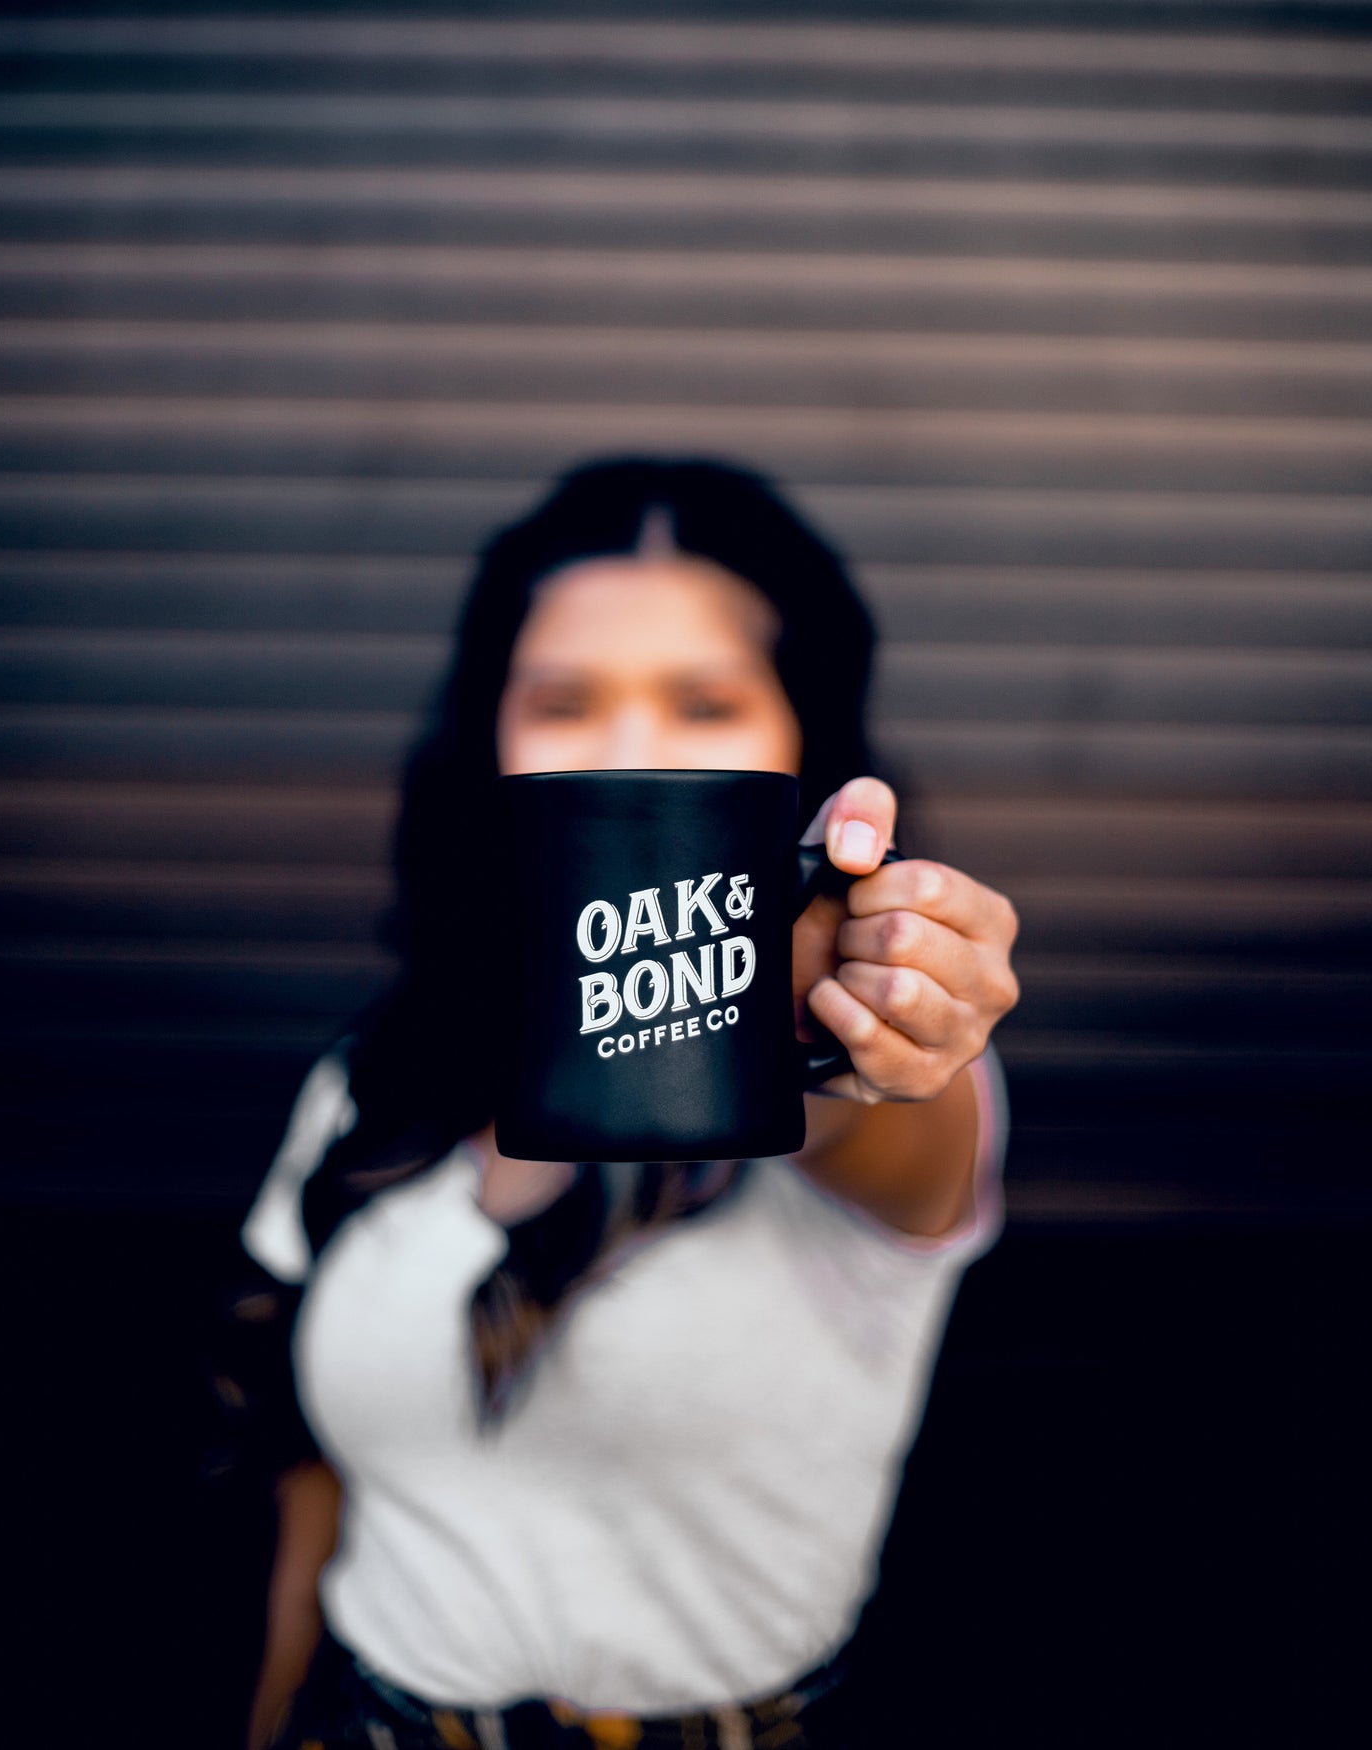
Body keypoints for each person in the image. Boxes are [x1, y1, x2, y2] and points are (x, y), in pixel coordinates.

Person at [229, 457, 1019, 1749]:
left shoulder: (848, 1086)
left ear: (800, 745)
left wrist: (882, 1005)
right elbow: (301, 1459)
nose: (631, 750)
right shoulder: (377, 1083)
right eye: (563, 701)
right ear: (493, 735)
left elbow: (890, 1114)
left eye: (706, 703)